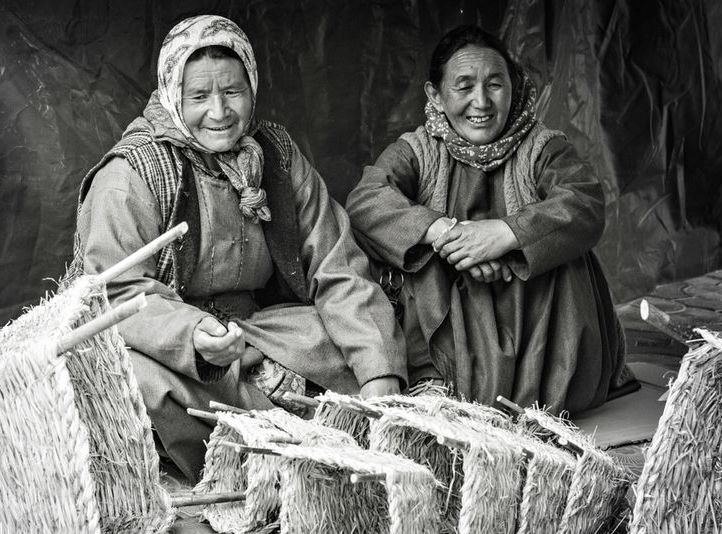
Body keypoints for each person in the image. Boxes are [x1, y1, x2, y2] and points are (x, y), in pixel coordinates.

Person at [67, 15, 406, 482]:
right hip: (176, 345)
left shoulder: (275, 156)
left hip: (263, 331)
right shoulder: (131, 175)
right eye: (199, 97)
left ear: (252, 86)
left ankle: (286, 430)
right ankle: (261, 448)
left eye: (232, 92)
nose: (220, 112)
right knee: (137, 382)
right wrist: (196, 337)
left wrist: (378, 375)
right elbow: (117, 291)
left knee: (367, 337)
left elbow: (336, 264)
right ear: (172, 95)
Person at [346, 25, 632, 415]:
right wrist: (446, 233)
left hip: (539, 337)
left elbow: (583, 201)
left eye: (495, 84)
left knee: (562, 250)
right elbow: (366, 199)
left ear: (513, 88)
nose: (481, 102)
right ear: (435, 94)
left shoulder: (543, 147)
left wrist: (506, 235)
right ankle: (435, 382)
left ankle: (540, 396)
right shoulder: (417, 150)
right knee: (414, 250)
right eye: (464, 87)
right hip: (450, 328)